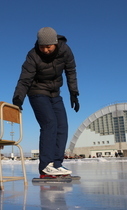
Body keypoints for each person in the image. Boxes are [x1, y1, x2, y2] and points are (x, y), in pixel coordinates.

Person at [12, 27, 80, 178]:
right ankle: (45, 166)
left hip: (55, 93)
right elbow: (25, 78)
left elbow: (71, 71)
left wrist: (74, 93)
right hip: (37, 92)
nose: (45, 50)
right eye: (42, 46)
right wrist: (18, 98)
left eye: (48, 47)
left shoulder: (65, 51)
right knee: (49, 123)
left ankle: (56, 164)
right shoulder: (33, 55)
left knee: (62, 125)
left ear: (55, 43)